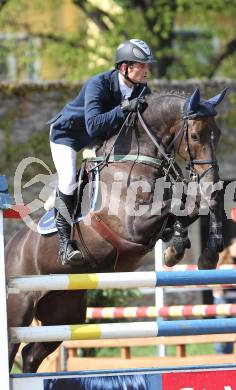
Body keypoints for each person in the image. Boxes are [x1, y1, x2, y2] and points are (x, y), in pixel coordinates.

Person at [47, 39, 155, 266]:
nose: (147, 70)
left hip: (98, 139)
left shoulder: (143, 89)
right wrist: (124, 108)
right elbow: (94, 125)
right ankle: (65, 245)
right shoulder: (98, 84)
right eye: (141, 65)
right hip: (68, 135)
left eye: (147, 65)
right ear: (125, 67)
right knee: (68, 182)